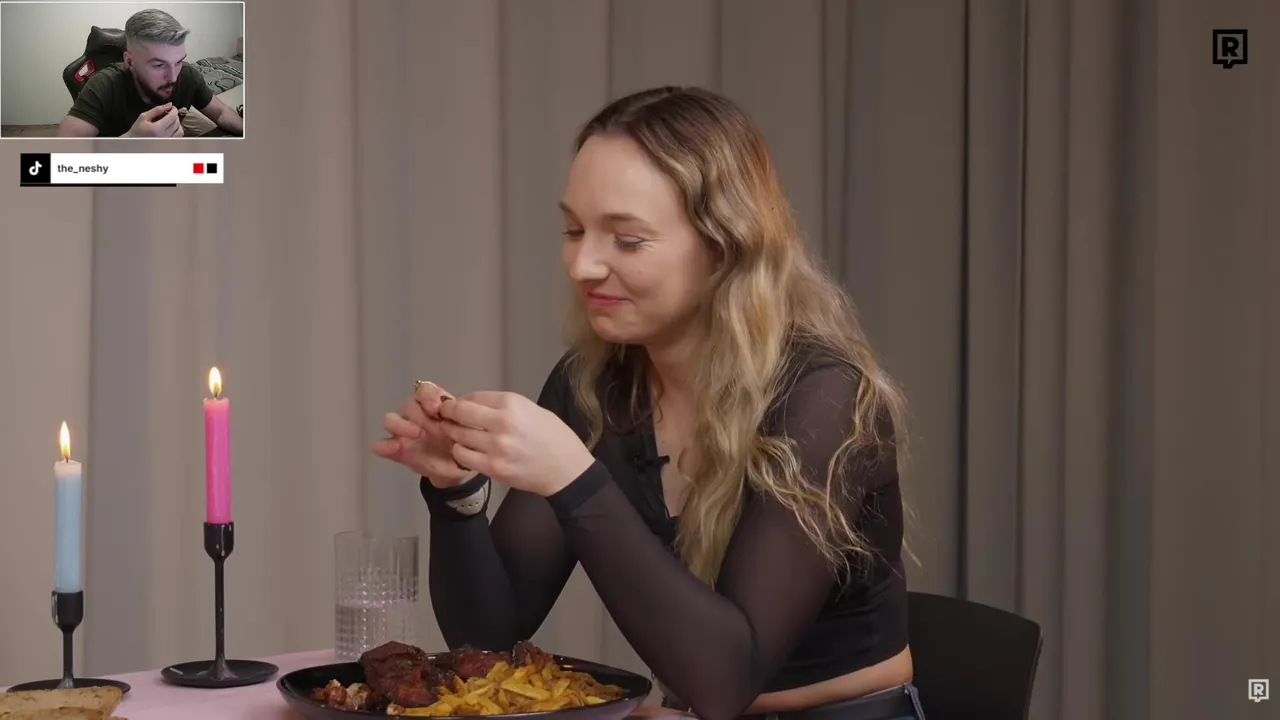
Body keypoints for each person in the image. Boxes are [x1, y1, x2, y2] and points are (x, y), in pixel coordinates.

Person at [373, 87, 924, 720]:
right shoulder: (595, 387)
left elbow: (725, 682)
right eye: (574, 230)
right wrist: (458, 496)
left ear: (724, 246)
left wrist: (574, 482)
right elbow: (489, 641)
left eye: (628, 240)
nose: (583, 265)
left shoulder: (825, 396)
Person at [55, 9, 244, 138]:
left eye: (178, 61)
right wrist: (131, 142)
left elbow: (221, 113)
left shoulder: (187, 75)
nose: (173, 77)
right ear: (130, 61)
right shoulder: (104, 85)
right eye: (159, 65)